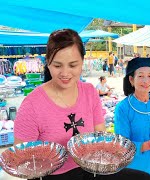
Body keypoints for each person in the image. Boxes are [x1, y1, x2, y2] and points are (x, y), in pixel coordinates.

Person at [13, 29, 106, 179]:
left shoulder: (90, 92)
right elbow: (21, 158)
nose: (65, 73)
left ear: (82, 61)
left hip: (89, 170)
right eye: (57, 66)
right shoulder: (31, 105)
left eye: (73, 65)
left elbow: (100, 134)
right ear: (48, 63)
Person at [114, 57, 150, 179]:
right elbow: (122, 146)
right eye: (140, 76)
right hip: (136, 171)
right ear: (131, 79)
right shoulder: (123, 108)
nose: (146, 80)